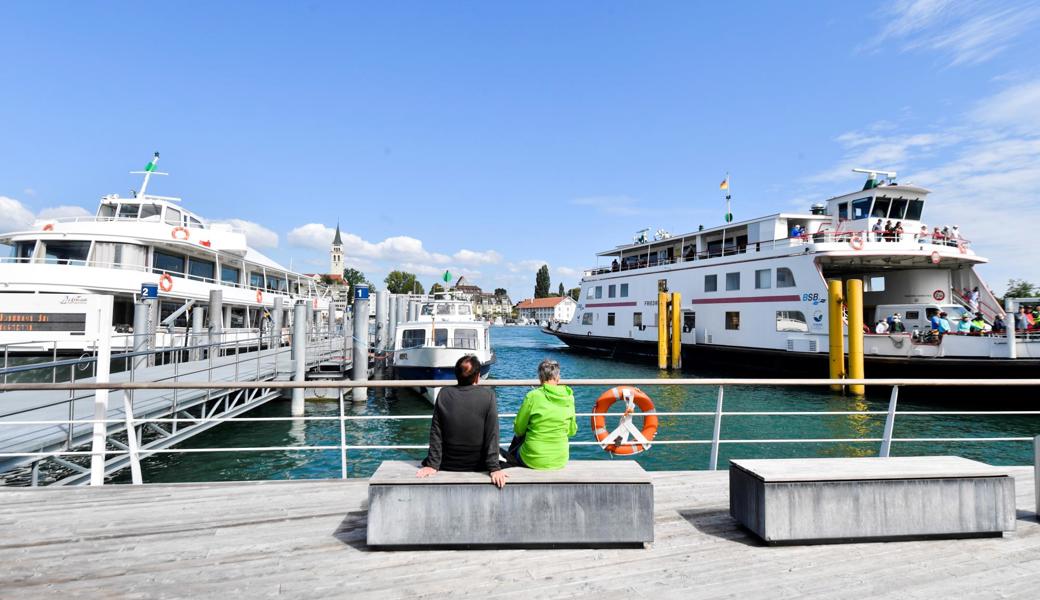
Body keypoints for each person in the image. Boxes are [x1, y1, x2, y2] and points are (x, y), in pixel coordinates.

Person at [417, 355, 508, 488]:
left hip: (448, 462)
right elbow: (492, 434)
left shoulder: (443, 394)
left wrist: (432, 465)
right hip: (478, 463)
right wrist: (494, 468)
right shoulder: (488, 396)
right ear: (477, 376)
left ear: (456, 374)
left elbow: (436, 433)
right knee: (509, 457)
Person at [508, 359, 577, 470]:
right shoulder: (569, 398)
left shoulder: (533, 396)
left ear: (540, 378)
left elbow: (518, 429)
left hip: (532, 459)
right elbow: (572, 431)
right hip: (560, 459)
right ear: (558, 377)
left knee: (516, 445)